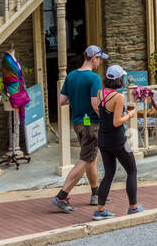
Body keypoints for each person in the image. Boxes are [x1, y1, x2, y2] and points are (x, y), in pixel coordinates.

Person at [52, 44, 106, 214]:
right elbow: (95, 104)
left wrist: (77, 100)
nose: (100, 63)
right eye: (100, 59)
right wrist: (108, 119)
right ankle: (62, 196)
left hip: (77, 122)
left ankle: (96, 194)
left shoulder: (71, 76)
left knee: (91, 158)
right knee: (86, 159)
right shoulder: (94, 78)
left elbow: (62, 100)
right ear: (94, 58)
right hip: (92, 124)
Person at [94, 64, 143, 219]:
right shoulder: (119, 97)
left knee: (109, 173)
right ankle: (133, 207)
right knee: (132, 170)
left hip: (103, 139)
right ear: (118, 79)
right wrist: (130, 114)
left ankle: (100, 210)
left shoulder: (100, 93)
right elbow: (116, 122)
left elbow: (104, 114)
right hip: (118, 140)